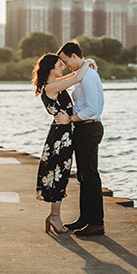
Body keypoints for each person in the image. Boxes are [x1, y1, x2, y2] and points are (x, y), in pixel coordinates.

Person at [31, 52, 94, 234]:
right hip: (60, 138)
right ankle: (55, 217)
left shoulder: (53, 85)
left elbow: (75, 76)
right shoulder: (50, 88)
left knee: (61, 175)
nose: (63, 67)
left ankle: (54, 216)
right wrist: (88, 61)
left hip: (63, 134)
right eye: (60, 65)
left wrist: (85, 66)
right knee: (58, 175)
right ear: (51, 68)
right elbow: (77, 78)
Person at [53, 40, 105, 237]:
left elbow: (92, 108)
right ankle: (85, 218)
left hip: (89, 128)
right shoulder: (84, 73)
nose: (65, 66)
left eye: (66, 61)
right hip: (83, 128)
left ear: (74, 56)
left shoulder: (89, 76)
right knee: (83, 176)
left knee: (90, 175)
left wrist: (69, 118)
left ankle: (97, 223)